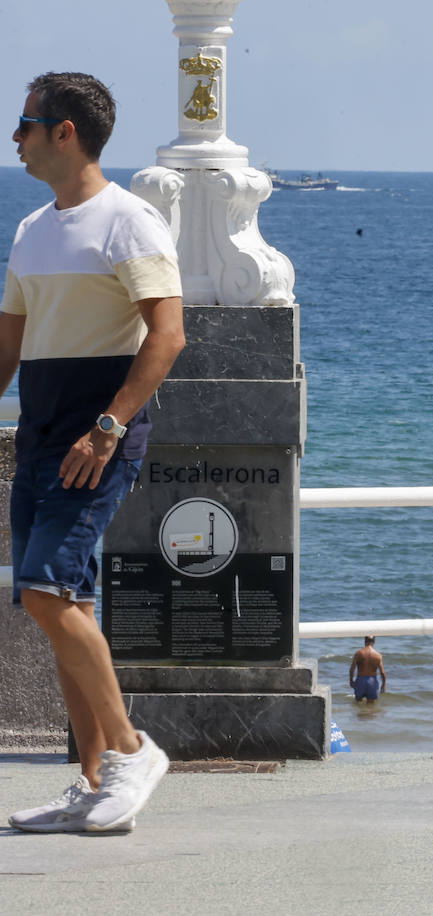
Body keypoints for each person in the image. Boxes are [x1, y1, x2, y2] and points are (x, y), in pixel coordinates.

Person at [4, 73, 184, 834]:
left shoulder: (130, 223)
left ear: (65, 131)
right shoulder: (30, 229)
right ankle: (89, 784)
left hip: (96, 434)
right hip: (41, 428)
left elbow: (167, 335)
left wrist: (108, 428)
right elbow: (8, 347)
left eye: (26, 124)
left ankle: (133, 751)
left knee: (44, 591)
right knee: (62, 604)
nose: (15, 138)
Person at [349, 636, 387, 702]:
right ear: (374, 642)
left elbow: (352, 669)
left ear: (365, 641)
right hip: (372, 681)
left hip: (360, 680)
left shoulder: (359, 653)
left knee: (358, 703)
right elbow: (382, 672)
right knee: (371, 705)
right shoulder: (378, 655)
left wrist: (351, 680)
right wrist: (383, 684)